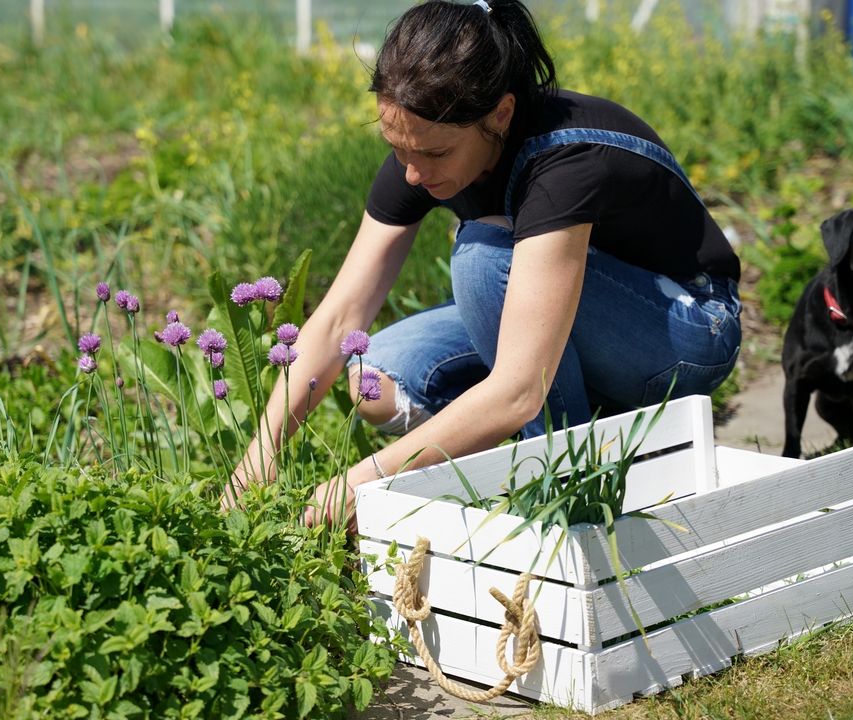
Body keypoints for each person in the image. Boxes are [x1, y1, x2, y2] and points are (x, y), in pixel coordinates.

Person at [224, 0, 741, 527]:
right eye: (398, 148)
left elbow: (519, 389)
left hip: (684, 329)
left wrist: (361, 481)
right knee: (372, 380)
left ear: (502, 114)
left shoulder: (564, 160)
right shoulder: (420, 144)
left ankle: (565, 485)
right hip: (567, 311)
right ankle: (543, 438)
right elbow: (338, 319)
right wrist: (254, 465)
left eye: (435, 154)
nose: (412, 173)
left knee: (482, 258)